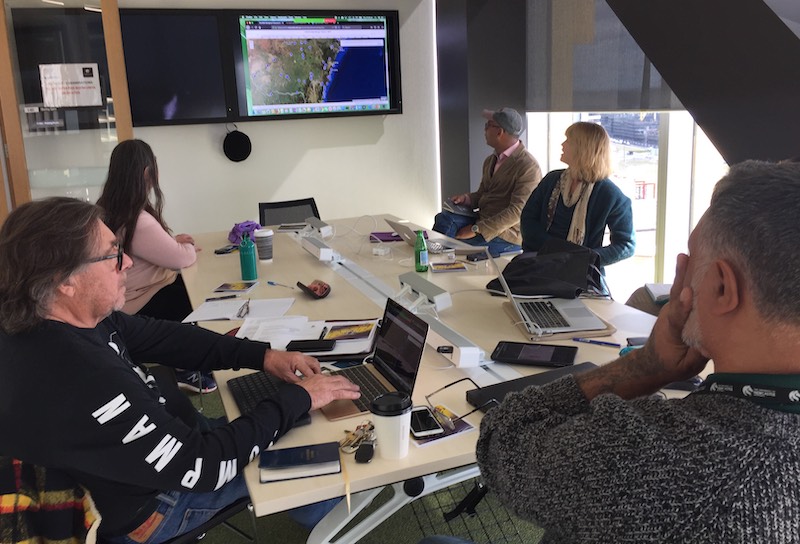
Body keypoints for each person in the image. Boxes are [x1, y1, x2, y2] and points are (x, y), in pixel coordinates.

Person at [0, 197, 361, 544]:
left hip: (158, 453)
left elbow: (164, 337)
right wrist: (300, 395)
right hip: (155, 505)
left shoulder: (55, 320)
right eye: (112, 254)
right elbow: (204, 466)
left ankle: (307, 503)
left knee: (297, 421)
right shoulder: (84, 377)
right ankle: (318, 516)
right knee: (330, 445)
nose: (127, 263)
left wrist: (264, 357)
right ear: (66, 280)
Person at [473, 160, 800, 542]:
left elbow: (503, 440)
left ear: (723, 289)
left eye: (690, 259)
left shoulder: (655, 459)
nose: (681, 270)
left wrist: (646, 367)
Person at [96, 139, 214, 394]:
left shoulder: (109, 208)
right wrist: (187, 247)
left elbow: (146, 248)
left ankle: (184, 361)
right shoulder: (138, 219)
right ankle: (184, 366)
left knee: (185, 287)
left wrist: (171, 242)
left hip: (123, 301)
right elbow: (182, 259)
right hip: (137, 305)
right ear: (147, 173)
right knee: (196, 295)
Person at [520, 121, 634, 270]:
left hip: (581, 273)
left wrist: (585, 258)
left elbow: (626, 245)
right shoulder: (551, 180)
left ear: (582, 148)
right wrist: (554, 250)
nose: (562, 144)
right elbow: (528, 219)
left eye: (568, 140)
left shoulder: (610, 194)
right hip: (539, 262)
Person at [433, 107, 541, 256]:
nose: (484, 130)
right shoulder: (491, 160)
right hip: (483, 219)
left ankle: (438, 259)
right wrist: (468, 199)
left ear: (500, 132)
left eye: (488, 125)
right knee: (444, 219)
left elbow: (517, 212)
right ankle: (433, 257)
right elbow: (483, 193)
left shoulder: (528, 166)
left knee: (458, 247)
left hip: (506, 234)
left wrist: (476, 229)